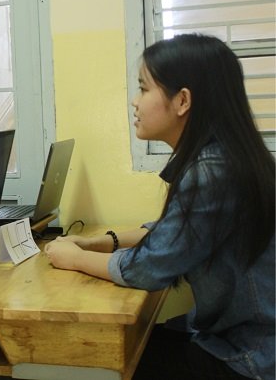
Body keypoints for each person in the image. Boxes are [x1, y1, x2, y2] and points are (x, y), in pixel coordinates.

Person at [45, 34, 274, 380]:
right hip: (244, 341)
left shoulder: (212, 172)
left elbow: (147, 269)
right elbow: (172, 231)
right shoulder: (223, 158)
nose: (134, 102)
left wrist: (74, 258)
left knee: (91, 355)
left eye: (143, 88)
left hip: (250, 357)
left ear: (182, 101)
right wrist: (97, 243)